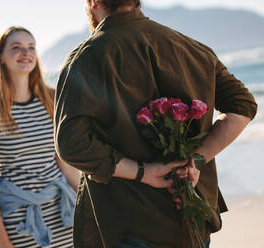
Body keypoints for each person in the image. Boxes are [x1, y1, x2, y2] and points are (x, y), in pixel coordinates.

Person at [54, 1, 257, 248]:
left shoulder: (86, 58)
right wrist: (196, 160)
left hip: (129, 223)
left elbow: (71, 145)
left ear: (93, 2)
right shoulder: (192, 48)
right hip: (193, 220)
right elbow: (243, 107)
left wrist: (143, 172)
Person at [0, 26, 80, 248]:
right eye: (16, 47)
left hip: (63, 213)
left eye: (31, 47)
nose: (26, 52)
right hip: (19, 220)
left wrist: (87, 203)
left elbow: (63, 162)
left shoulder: (51, 100)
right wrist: (1, 238)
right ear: (1, 57)